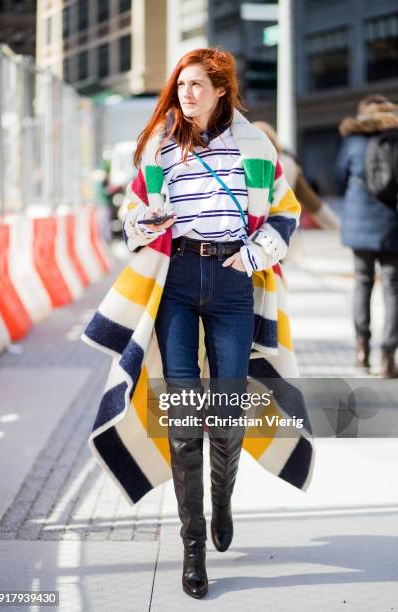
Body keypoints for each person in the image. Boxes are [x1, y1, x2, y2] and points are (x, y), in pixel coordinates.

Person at [82, 47, 314, 600]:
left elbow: (285, 210)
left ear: (220, 91)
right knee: (185, 413)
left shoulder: (254, 143)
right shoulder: (160, 142)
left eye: (196, 86)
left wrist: (254, 255)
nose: (185, 94)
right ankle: (193, 547)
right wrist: (147, 218)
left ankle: (223, 496)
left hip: (234, 281)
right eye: (181, 84)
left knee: (228, 408)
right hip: (177, 280)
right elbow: (132, 214)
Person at [336, 95, 398, 378]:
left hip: (360, 222)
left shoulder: (352, 142)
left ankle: (362, 349)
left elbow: (338, 178)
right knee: (393, 287)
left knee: (362, 282)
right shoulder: (395, 139)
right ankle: (388, 356)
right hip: (392, 222)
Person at [253, 121, 340, 231]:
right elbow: (313, 203)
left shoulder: (245, 165)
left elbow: (312, 202)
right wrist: (338, 226)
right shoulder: (288, 164)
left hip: (254, 233)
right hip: (283, 231)